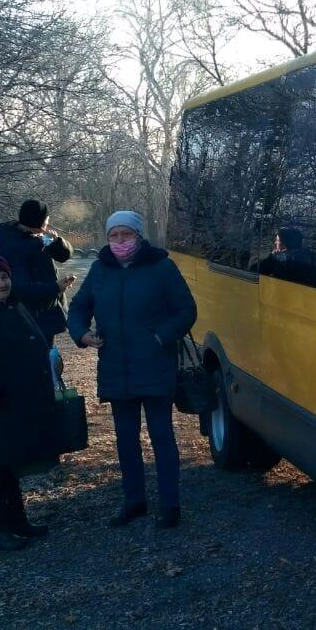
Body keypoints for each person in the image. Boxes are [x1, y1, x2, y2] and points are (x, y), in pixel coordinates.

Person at [67, 211, 196, 529]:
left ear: (139, 236)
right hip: (116, 367)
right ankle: (134, 501)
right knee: (125, 439)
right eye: (114, 235)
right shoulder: (100, 270)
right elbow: (79, 306)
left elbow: (186, 310)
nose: (120, 241)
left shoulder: (161, 267)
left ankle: (170, 505)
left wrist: (160, 335)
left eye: (126, 234)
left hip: (154, 365)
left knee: (162, 436)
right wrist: (81, 333)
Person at [0, 252, 59, 552]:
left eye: (4, 277)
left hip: (20, 402)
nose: (1, 283)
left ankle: (17, 520)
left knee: (11, 464)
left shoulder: (13, 305)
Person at [0, 199, 75, 345]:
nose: (48, 223)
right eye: (47, 219)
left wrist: (57, 241)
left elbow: (65, 255)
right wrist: (56, 287)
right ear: (40, 221)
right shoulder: (15, 248)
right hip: (27, 320)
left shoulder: (39, 240)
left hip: (43, 317)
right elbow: (20, 289)